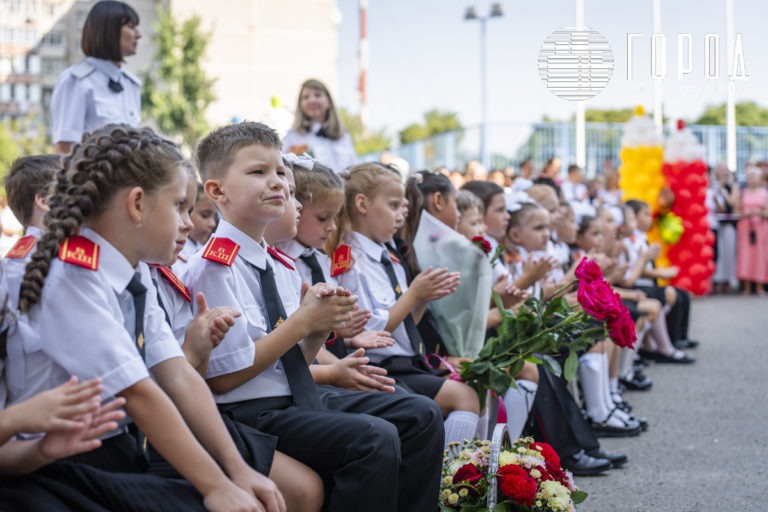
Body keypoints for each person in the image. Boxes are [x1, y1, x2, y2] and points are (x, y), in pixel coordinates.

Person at [12, 124, 284, 511]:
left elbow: (177, 373)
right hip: (60, 461)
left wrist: (235, 471)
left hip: (113, 445)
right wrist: (215, 485)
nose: (187, 222)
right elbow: (138, 391)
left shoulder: (134, 271)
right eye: (177, 206)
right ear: (138, 203)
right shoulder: (71, 276)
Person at [186, 121, 412, 512]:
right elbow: (224, 379)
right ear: (217, 191)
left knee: (417, 414)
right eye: (258, 172)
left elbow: (293, 363)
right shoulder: (215, 268)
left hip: (290, 399)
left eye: (279, 172)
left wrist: (317, 329)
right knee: (373, 439)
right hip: (247, 412)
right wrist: (303, 323)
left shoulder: (281, 265)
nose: (277, 183)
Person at [268, 157, 445, 512]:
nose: (332, 228)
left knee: (419, 411)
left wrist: (343, 342)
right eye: (321, 217)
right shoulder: (291, 262)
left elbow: (310, 337)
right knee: (383, 429)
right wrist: (338, 355)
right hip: (279, 393)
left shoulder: (293, 263)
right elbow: (273, 352)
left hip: (315, 372)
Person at [325, 162, 481, 447]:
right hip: (381, 364)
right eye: (394, 205)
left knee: (475, 386)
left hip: (407, 359)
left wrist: (422, 298)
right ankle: (447, 480)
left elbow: (408, 325)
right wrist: (414, 294)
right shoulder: (350, 259)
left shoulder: (388, 254)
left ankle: (463, 474)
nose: (401, 216)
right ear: (362, 204)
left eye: (402, 207)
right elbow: (374, 329)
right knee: (464, 397)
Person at [50, 1, 142, 154]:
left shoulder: (130, 84)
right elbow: (65, 148)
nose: (138, 35)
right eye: (131, 27)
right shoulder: (76, 81)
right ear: (109, 31)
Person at [282, 79, 356, 172]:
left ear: (328, 101)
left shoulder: (343, 136)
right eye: (306, 97)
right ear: (300, 104)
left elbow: (353, 168)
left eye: (317, 95)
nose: (312, 100)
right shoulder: (292, 137)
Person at [173, 182, 218, 276]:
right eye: (205, 215)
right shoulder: (171, 254)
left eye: (215, 217)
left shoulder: (204, 251)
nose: (212, 223)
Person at [736, 165, 768, 295]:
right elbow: (737, 211)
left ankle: (760, 286)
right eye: (749, 176)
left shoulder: (764, 193)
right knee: (745, 256)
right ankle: (747, 287)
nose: (752, 179)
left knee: (760, 256)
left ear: (759, 178)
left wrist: (757, 212)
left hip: (760, 227)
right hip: (745, 227)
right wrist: (745, 213)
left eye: (754, 176)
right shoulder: (743, 193)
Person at [711, 163, 740, 294]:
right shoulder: (711, 186)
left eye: (724, 170)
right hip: (715, 224)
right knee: (718, 253)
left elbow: (732, 203)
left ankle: (727, 280)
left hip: (729, 224)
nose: (722, 172)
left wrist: (723, 192)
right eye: (720, 169)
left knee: (728, 253)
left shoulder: (732, 186)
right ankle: (717, 280)